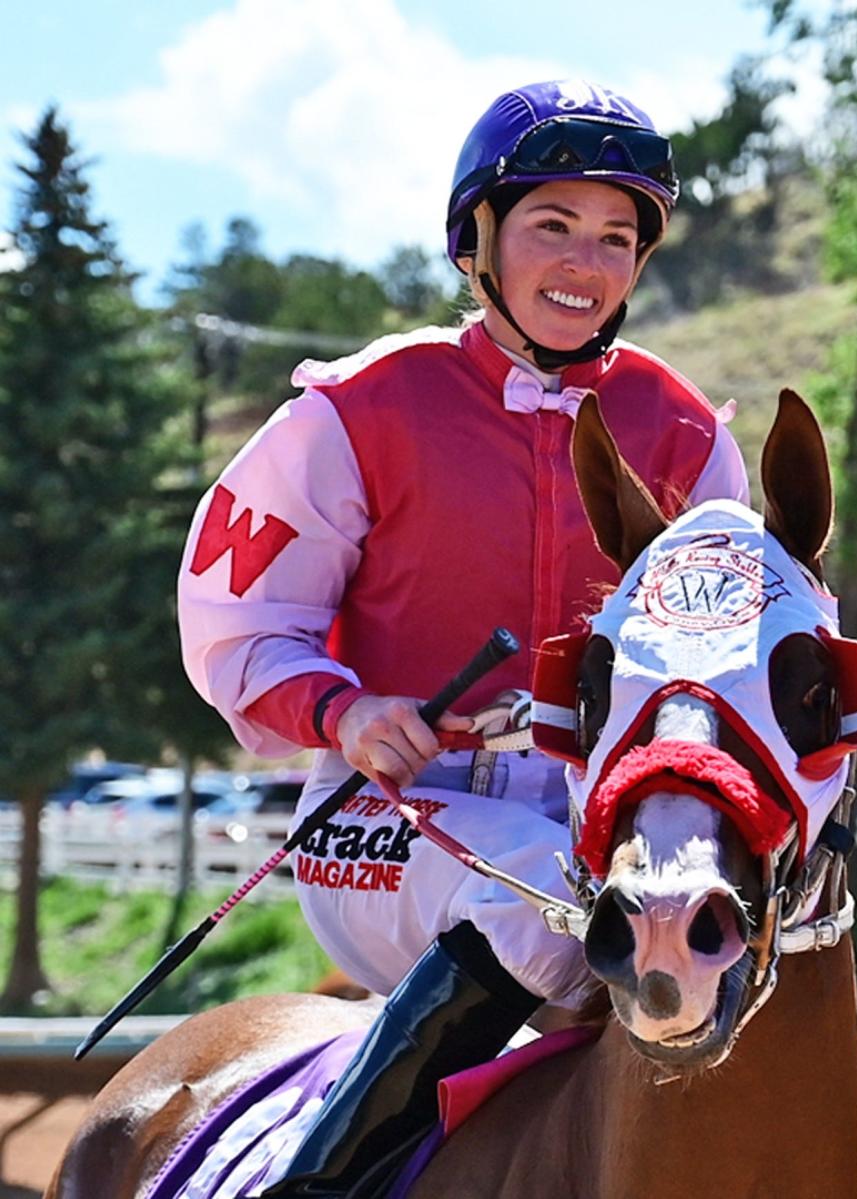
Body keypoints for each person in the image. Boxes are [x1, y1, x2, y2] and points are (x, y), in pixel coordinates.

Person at [177, 79, 748, 1196]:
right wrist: (345, 710)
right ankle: (317, 1185)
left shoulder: (683, 432)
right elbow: (240, 620)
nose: (585, 263)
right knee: (542, 904)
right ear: (475, 239)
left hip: (592, 825)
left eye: (617, 237)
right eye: (552, 225)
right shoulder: (358, 409)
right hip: (384, 824)